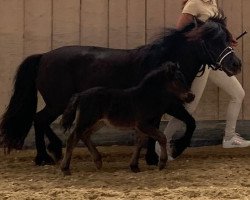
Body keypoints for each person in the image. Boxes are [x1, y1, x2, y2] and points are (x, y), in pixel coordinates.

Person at [155, 0, 250, 160]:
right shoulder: (193, 4)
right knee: (189, 108)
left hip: (214, 60)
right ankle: (162, 141)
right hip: (201, 62)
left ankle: (229, 137)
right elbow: (179, 34)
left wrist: (227, 39)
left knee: (238, 93)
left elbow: (214, 31)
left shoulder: (213, 3)